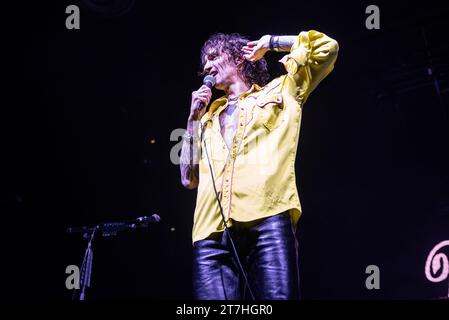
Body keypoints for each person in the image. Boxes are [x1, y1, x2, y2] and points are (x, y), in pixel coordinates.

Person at [180, 30, 338, 300]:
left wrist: (271, 43)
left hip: (268, 219)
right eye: (204, 62)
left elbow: (328, 48)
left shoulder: (281, 91)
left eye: (214, 56)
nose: (206, 66)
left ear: (240, 58)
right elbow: (187, 178)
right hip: (210, 233)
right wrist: (192, 118)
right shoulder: (206, 119)